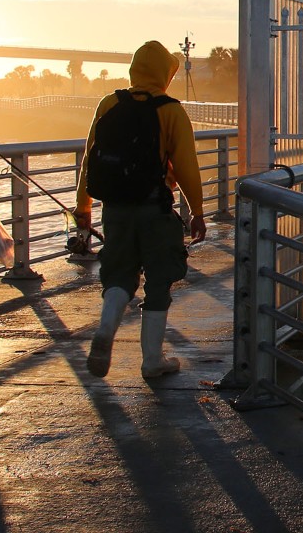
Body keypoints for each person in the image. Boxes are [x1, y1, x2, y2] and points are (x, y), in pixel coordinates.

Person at [74, 40, 206, 379]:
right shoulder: (171, 110)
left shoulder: (109, 103)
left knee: (119, 274)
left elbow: (90, 157)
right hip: (154, 209)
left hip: (115, 209)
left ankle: (106, 330)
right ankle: (152, 361)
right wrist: (197, 212)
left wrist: (83, 205)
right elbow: (187, 168)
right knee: (159, 280)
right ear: (164, 73)